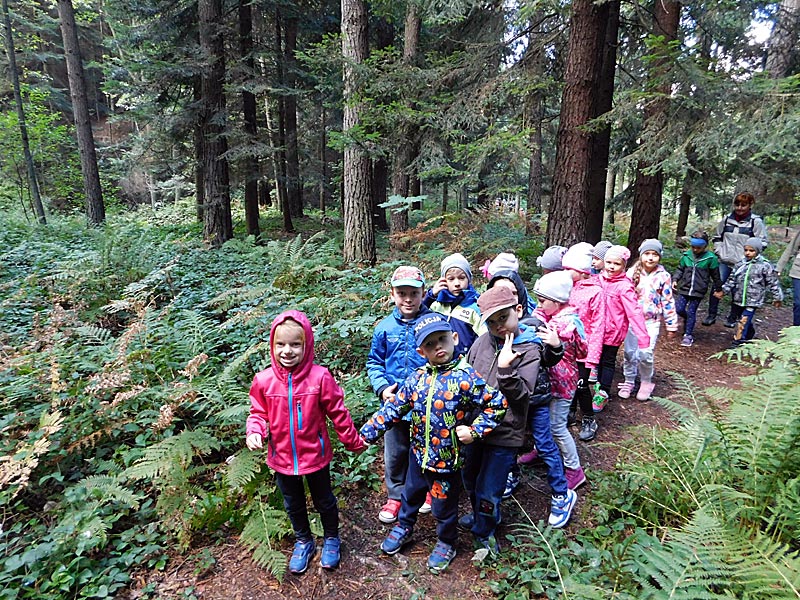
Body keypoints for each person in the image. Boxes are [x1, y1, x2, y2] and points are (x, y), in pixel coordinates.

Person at [359, 314, 507, 574]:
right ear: (421, 352)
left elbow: (497, 404)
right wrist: (367, 433)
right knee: (410, 494)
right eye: (430, 344)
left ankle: (447, 541)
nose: (438, 346)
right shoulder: (417, 378)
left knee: (443, 505)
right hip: (418, 455)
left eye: (442, 339)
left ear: (455, 338)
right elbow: (394, 407)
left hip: (446, 461)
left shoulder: (466, 377)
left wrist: (474, 431)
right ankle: (404, 525)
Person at [245, 310, 366, 574]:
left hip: (315, 454)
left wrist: (352, 441)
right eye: (280, 344)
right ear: (272, 345)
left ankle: (331, 538)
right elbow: (258, 413)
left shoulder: (319, 377)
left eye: (295, 344)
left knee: (324, 500)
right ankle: (303, 540)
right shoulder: (264, 381)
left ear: (306, 345)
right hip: (281, 456)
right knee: (293, 503)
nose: (287, 351)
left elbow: (338, 412)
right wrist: (255, 431)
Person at [464, 286, 577, 556]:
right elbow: (467, 373)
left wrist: (506, 370)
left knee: (490, 487)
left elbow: (523, 395)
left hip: (505, 433)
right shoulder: (482, 341)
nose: (498, 326)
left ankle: (485, 532)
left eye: (503, 317)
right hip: (475, 428)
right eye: (491, 321)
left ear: (517, 310)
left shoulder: (529, 349)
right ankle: (482, 516)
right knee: (470, 478)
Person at [366, 266, 432, 524]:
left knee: (426, 447)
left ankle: (427, 489)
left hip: (427, 404)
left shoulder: (433, 324)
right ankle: (395, 496)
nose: (408, 299)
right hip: (394, 404)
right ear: (392, 294)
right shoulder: (384, 328)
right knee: (395, 452)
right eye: (402, 293)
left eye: (414, 293)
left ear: (423, 293)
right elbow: (374, 362)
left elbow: (445, 357)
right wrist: (383, 388)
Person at [532, 271, 589, 490]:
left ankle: (575, 469)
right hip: (555, 381)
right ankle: (541, 450)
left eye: (542, 301)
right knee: (545, 421)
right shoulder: (559, 317)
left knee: (557, 426)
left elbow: (580, 350)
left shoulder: (563, 325)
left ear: (556, 302)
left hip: (562, 384)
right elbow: (583, 350)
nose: (539, 305)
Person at [619, 239, 679, 401]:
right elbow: (622, 297)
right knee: (630, 353)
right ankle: (629, 380)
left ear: (660, 256)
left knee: (645, 353)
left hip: (651, 322)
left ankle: (646, 381)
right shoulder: (631, 273)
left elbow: (667, 301)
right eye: (647, 254)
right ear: (641, 255)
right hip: (632, 321)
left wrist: (671, 324)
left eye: (654, 254)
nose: (650, 258)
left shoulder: (663, 276)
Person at [593, 245, 650, 412]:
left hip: (613, 331)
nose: (611, 267)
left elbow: (634, 312)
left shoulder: (625, 286)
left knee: (608, 360)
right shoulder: (597, 280)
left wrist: (643, 337)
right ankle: (598, 387)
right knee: (597, 359)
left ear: (624, 265)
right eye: (609, 262)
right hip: (596, 330)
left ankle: (603, 393)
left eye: (616, 264)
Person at [561, 242, 605, 442]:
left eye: (568, 269)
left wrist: (592, 358)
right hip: (566, 347)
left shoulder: (595, 292)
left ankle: (588, 418)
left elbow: (597, 326)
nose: (564, 272)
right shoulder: (565, 287)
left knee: (581, 384)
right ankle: (569, 411)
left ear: (581, 271)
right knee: (567, 382)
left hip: (584, 351)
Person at [705, 192, 768, 327]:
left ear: (750, 205)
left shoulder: (755, 222)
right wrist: (719, 251)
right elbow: (717, 237)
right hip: (724, 260)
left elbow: (762, 242)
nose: (739, 208)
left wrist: (749, 256)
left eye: (743, 205)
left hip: (743, 263)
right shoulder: (727, 219)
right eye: (737, 204)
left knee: (738, 290)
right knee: (717, 285)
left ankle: (733, 318)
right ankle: (711, 315)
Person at [721, 237, 783, 346]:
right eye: (746, 250)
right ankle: (749, 333)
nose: (748, 253)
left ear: (757, 251)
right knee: (742, 318)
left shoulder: (764, 265)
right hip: (739, 297)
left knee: (744, 319)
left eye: (751, 250)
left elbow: (773, 282)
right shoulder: (740, 264)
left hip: (754, 299)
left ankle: (738, 341)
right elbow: (732, 279)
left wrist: (777, 297)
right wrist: (723, 291)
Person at [423, 253, 483, 357]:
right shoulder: (436, 304)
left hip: (465, 362)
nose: (457, 283)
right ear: (443, 281)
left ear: (469, 279)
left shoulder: (475, 308)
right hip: (439, 360)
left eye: (461, 278)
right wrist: (431, 296)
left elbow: (484, 339)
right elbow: (418, 317)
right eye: (451, 279)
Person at [672, 231, 723, 347]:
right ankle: (688, 319)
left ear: (705, 246)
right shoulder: (686, 256)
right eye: (693, 247)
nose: (695, 250)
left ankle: (688, 335)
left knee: (691, 311)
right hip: (685, 288)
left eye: (699, 248)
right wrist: (675, 279)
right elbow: (680, 269)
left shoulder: (711, 258)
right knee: (679, 309)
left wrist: (719, 289)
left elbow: (716, 276)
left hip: (698, 290)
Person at [776, 228, 800, 326]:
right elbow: (791, 249)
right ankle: (796, 330)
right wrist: (779, 267)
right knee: (799, 303)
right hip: (798, 272)